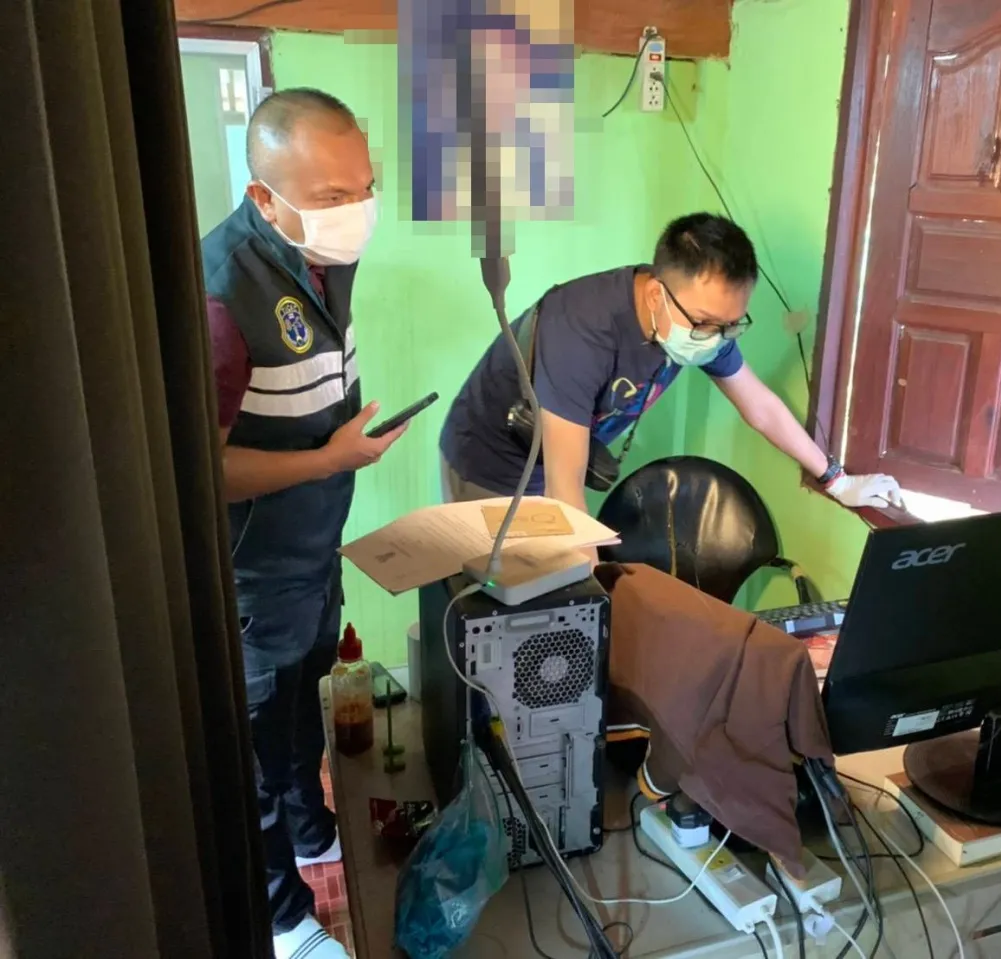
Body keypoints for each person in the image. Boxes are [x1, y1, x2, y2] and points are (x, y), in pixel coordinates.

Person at [203, 88, 404, 959]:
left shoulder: (322, 257)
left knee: (298, 720)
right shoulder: (221, 296)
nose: (356, 209)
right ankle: (285, 919)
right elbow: (200, 470)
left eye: (364, 187)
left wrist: (342, 453)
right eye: (330, 196)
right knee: (249, 754)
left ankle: (313, 829)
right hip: (254, 577)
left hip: (315, 554)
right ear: (264, 196)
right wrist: (331, 459)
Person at [439, 213, 902, 526]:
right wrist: (590, 595)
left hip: (553, 460)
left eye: (730, 325)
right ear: (656, 294)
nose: (715, 338)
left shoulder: (698, 324)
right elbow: (565, 486)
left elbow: (760, 407)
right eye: (704, 323)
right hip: (491, 464)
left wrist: (836, 480)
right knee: (506, 613)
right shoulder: (581, 329)